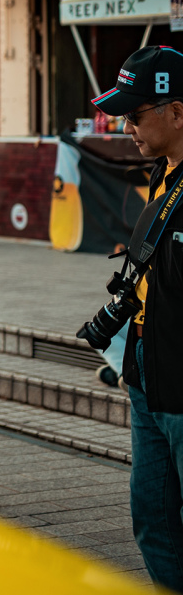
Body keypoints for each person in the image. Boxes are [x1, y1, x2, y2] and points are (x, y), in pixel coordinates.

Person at [89, 45, 183, 589]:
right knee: (152, 521)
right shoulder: (161, 173)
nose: (127, 127)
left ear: (177, 111)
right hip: (145, 366)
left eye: (136, 115)